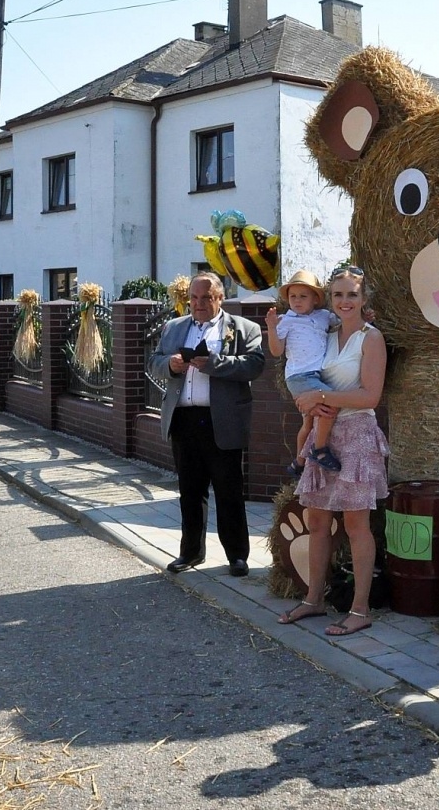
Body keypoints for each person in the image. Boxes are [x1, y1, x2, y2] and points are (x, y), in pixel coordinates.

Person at [275, 267, 388, 636]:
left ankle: (360, 609)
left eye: (351, 295)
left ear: (364, 299)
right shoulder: (324, 333)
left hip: (356, 432)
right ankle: (313, 600)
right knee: (318, 521)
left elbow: (370, 396)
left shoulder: (372, 339)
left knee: (356, 525)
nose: (344, 301)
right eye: (338, 295)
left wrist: (320, 396)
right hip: (324, 430)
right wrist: (306, 403)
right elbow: (299, 369)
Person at [148, 272, 265, 576]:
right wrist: (171, 365)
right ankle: (190, 553)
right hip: (184, 420)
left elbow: (255, 365)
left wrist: (216, 363)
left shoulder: (244, 328)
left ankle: (237, 556)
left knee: (229, 490)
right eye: (194, 298)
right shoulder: (174, 328)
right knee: (190, 490)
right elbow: (154, 362)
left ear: (220, 298)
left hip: (222, 419)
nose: (199, 304)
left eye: (206, 298)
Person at [264, 269, 340, 477]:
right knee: (331, 402)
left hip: (316, 375)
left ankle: (298, 462)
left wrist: (365, 318)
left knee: (308, 421)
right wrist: (272, 328)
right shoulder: (286, 320)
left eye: (303, 296)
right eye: (292, 296)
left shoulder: (325, 316)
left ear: (315, 299)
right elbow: (277, 350)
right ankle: (320, 450)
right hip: (299, 377)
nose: (296, 301)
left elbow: (344, 324)